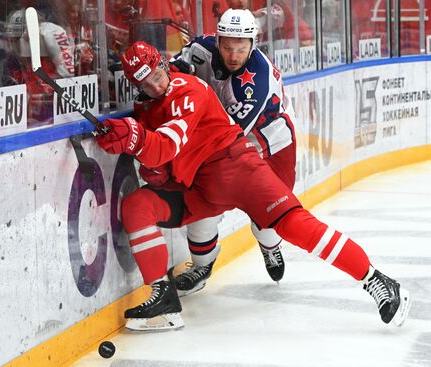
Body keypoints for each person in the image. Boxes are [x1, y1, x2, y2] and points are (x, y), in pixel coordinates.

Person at [93, 40, 411, 332]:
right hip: (201, 187)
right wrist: (141, 149)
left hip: (237, 170)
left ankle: (376, 280)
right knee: (137, 205)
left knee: (295, 227)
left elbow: (165, 145)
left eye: (157, 75)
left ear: (164, 64)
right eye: (145, 84)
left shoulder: (187, 89)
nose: (155, 86)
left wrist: (133, 137)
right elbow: (159, 162)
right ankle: (164, 301)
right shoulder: (147, 106)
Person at [168, 8, 296, 295]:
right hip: (221, 138)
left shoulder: (255, 82)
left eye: (241, 48)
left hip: (269, 142)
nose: (234, 56)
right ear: (218, 40)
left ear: (253, 43)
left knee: (269, 214)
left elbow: (225, 137)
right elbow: (170, 71)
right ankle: (202, 265)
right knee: (200, 203)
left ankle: (269, 245)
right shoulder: (201, 47)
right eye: (227, 47)